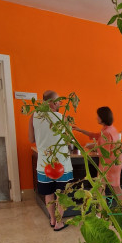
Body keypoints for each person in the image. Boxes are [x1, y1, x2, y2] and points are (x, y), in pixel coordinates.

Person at [28, 90, 73, 231]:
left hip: (44, 164)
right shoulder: (63, 118)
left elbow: (31, 139)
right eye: (59, 101)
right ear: (52, 102)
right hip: (61, 164)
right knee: (61, 194)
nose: (60, 104)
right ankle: (59, 223)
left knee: (49, 193)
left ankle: (53, 220)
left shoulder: (33, 116)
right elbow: (70, 142)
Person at [74, 106, 122, 200]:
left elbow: (104, 152)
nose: (96, 118)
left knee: (100, 188)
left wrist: (93, 147)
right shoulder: (111, 128)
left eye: (98, 116)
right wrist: (80, 130)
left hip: (107, 165)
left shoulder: (106, 132)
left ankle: (101, 209)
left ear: (102, 117)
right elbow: (96, 135)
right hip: (115, 163)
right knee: (116, 187)